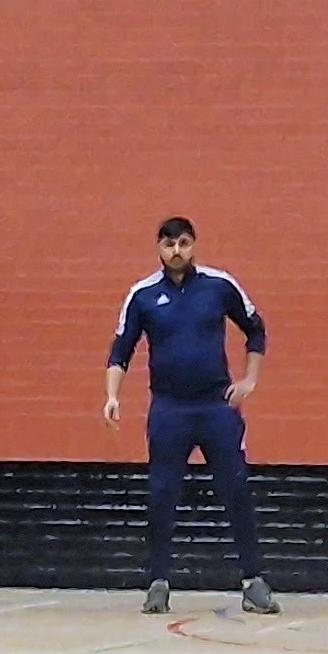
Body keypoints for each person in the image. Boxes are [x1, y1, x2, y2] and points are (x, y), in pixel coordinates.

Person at [103, 216, 277, 616]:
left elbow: (255, 329)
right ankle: (158, 583)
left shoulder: (219, 285)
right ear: (158, 249)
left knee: (236, 489)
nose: (176, 251)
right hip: (169, 409)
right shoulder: (143, 295)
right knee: (162, 494)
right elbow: (120, 351)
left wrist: (249, 380)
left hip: (216, 407)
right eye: (168, 244)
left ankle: (253, 581)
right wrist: (112, 396)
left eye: (183, 243)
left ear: (194, 244)